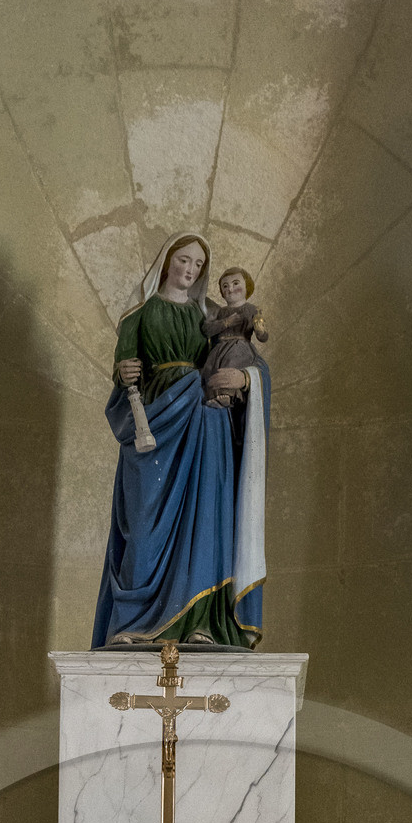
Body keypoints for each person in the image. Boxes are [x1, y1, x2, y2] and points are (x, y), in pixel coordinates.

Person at [92, 231, 268, 649]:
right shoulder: (139, 313)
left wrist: (245, 379)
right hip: (155, 422)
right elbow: (122, 377)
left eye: (198, 265)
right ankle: (133, 623)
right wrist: (124, 373)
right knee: (144, 523)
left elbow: (248, 358)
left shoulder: (211, 316)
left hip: (205, 423)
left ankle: (200, 622)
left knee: (204, 517)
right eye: (184, 260)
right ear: (167, 261)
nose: (190, 270)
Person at [201, 269, 269, 409]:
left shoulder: (252, 310)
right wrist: (226, 322)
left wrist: (260, 330)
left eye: (235, 283)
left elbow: (263, 337)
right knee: (209, 369)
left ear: (247, 286)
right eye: (225, 286)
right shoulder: (220, 312)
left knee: (231, 364)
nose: (230, 289)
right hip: (219, 348)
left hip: (240, 346)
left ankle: (228, 395)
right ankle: (212, 396)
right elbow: (206, 329)